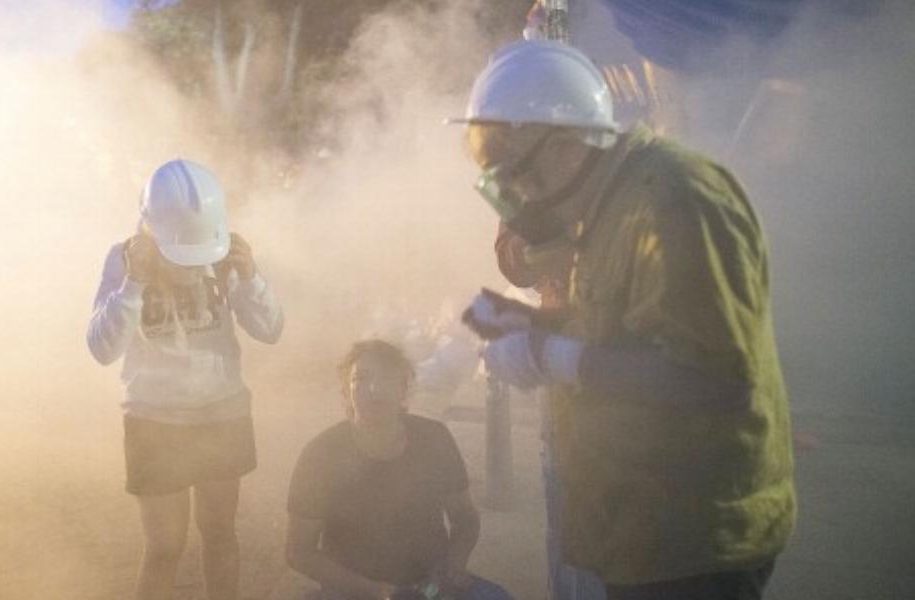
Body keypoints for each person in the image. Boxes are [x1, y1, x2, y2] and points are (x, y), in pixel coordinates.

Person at [451, 41, 796, 600]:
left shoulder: (674, 199)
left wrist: (551, 357)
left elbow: (716, 380)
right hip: (638, 527)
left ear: (565, 147)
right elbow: (625, 334)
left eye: (519, 172)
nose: (514, 194)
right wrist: (529, 327)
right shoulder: (607, 206)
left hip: (690, 541)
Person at [86, 158, 284, 600]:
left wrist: (250, 278)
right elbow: (101, 347)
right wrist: (134, 282)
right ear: (150, 227)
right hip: (154, 420)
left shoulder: (225, 252)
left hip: (222, 411)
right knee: (164, 547)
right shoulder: (123, 259)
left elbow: (270, 330)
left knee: (219, 533)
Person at [285, 339, 513, 600]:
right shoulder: (321, 454)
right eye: (361, 379)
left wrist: (451, 569)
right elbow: (298, 551)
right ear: (347, 391)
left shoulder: (434, 439)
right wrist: (378, 592)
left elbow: (466, 519)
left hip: (430, 585)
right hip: (351, 589)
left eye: (386, 378)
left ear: (404, 388)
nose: (374, 389)